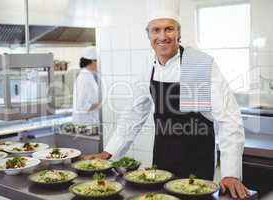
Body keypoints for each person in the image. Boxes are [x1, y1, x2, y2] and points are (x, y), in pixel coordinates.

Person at [81, 0, 249, 199]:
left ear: (179, 33)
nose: (162, 36)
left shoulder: (198, 63)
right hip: (162, 161)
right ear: (148, 35)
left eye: (169, 29)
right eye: (156, 30)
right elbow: (134, 114)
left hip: (196, 160)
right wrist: (108, 153)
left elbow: (229, 119)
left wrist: (231, 174)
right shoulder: (148, 66)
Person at [72, 46, 100, 126]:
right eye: (98, 61)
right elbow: (82, 106)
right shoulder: (84, 78)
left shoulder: (88, 76)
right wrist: (103, 105)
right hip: (84, 124)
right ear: (92, 61)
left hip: (90, 122)